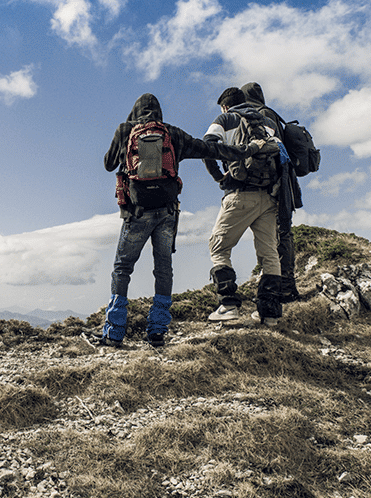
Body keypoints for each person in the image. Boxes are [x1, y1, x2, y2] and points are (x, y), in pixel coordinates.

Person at [101, 93, 273, 347]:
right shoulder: (173, 134)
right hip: (167, 213)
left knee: (122, 268)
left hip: (136, 213)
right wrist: (249, 149)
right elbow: (212, 149)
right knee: (163, 269)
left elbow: (108, 164)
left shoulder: (126, 130)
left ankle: (114, 332)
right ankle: (157, 331)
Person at [203, 87, 283, 326]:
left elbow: (208, 146)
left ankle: (228, 305)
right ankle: (270, 314)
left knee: (218, 246)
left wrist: (220, 177)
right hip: (269, 196)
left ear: (225, 106)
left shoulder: (225, 119)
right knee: (269, 252)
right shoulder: (267, 122)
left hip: (240, 194)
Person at [241, 82, 303, 303]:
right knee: (280, 233)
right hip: (285, 182)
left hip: (275, 185)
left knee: (279, 234)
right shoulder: (272, 114)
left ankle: (283, 288)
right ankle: (284, 285)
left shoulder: (260, 116)